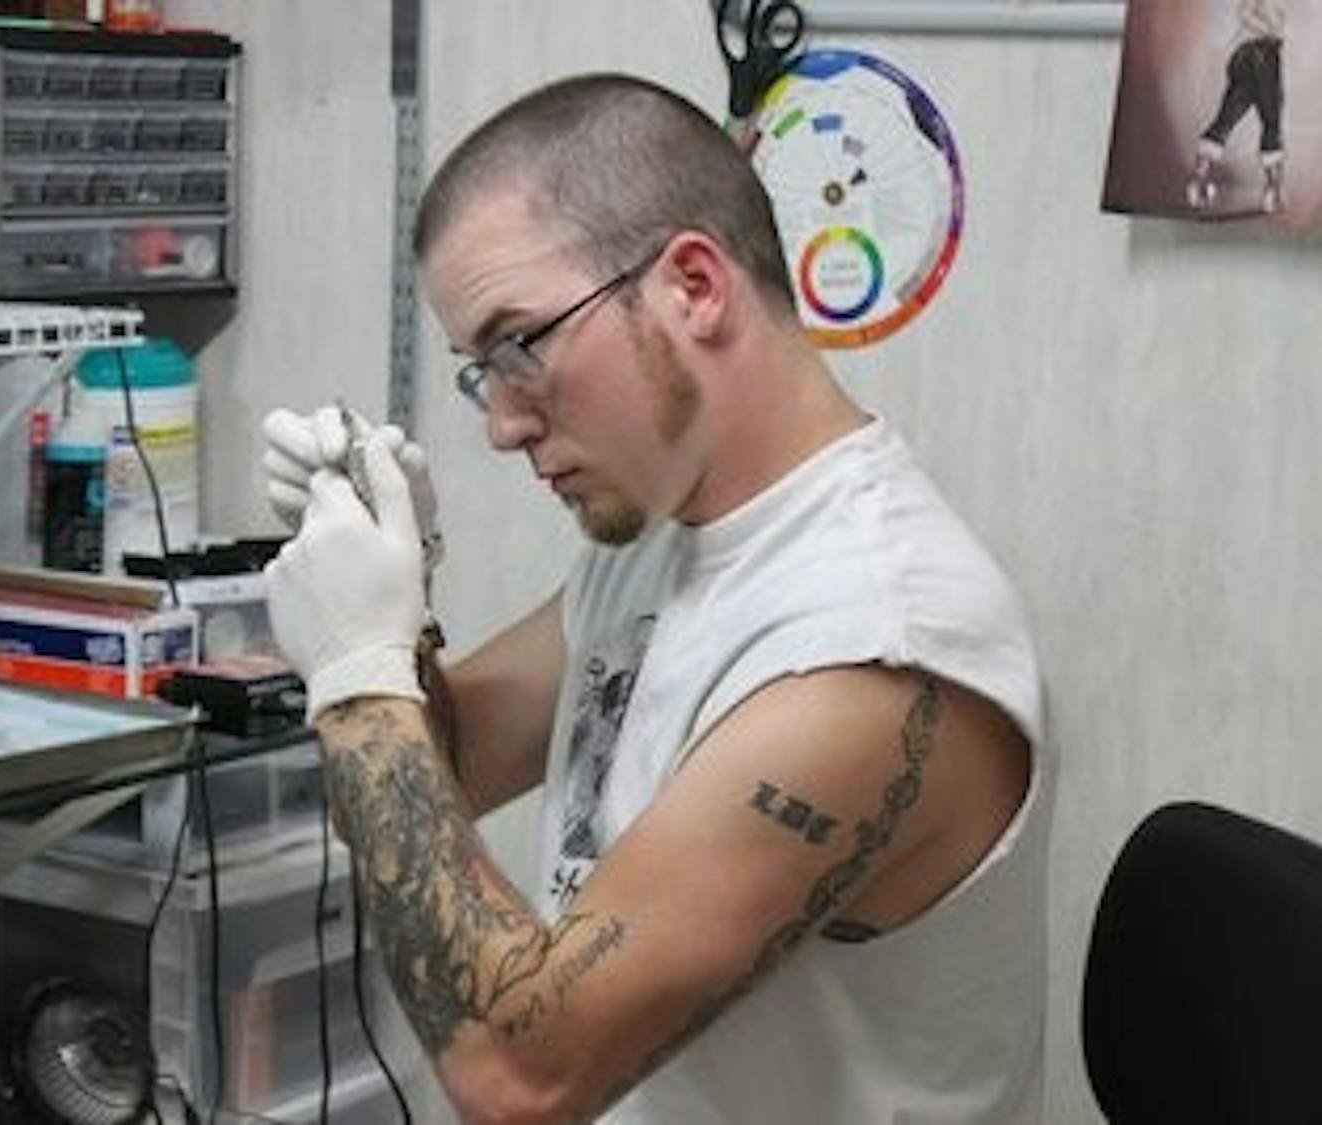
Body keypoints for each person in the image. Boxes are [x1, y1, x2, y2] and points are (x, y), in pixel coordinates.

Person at [261, 73, 1049, 1125]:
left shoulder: (874, 652)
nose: (501, 424)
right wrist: (393, 581)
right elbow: (439, 771)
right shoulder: (666, 532)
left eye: (518, 346)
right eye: (477, 371)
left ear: (692, 286)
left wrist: (359, 670)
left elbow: (519, 1078)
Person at [1186, 0, 1286, 214]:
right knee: (1271, 120)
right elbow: (1246, 13)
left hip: (1245, 55)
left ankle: (1199, 180)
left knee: (1227, 117)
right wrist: (1272, 30)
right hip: (1262, 54)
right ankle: (1273, 190)